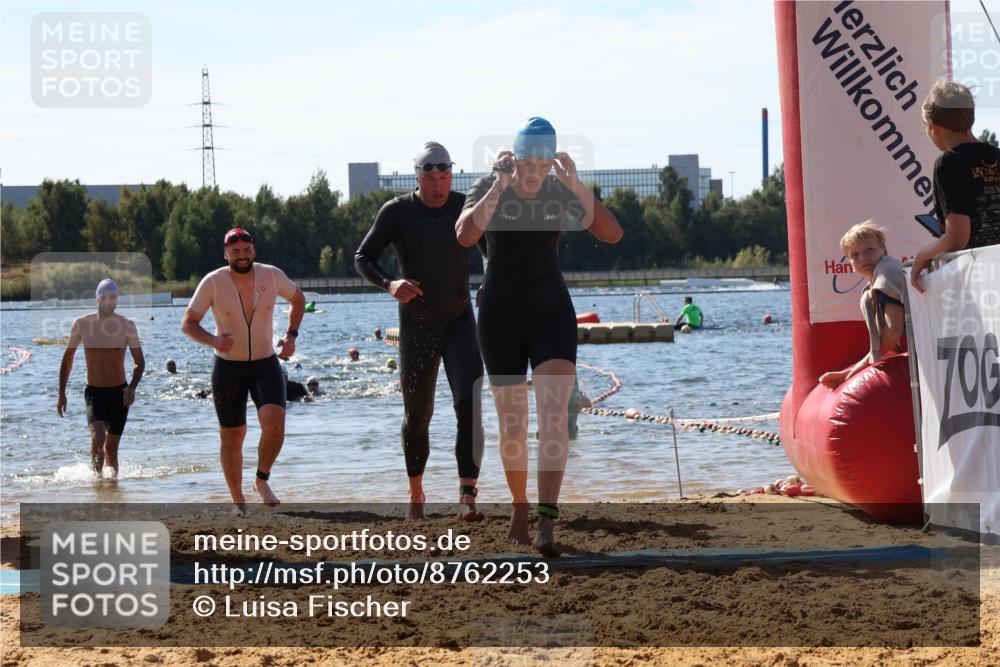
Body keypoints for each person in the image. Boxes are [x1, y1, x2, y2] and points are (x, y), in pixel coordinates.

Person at [456, 117, 623, 555]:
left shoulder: (558, 190)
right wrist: (497, 185)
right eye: (528, 161)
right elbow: (464, 234)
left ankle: (548, 517)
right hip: (499, 314)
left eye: (543, 163)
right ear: (515, 157)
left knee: (553, 418)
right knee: (512, 425)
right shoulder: (490, 185)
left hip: (550, 310)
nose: (534, 170)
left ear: (551, 163)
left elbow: (612, 233)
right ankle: (519, 505)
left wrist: (577, 185)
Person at [355, 141, 486, 523]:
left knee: (471, 407)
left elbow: (492, 246)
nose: (439, 185)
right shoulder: (398, 212)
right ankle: (416, 492)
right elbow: (363, 257)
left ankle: (467, 496)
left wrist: (491, 281)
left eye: (445, 176)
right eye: (431, 178)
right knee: (418, 415)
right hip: (418, 327)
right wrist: (390, 283)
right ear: (419, 177)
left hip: (460, 323)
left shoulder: (465, 205)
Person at [181, 227, 305, 512]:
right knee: (233, 436)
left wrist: (291, 335)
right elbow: (188, 322)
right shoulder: (213, 282)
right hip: (228, 368)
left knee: (275, 424)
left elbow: (297, 299)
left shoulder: (271, 275)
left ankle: (261, 479)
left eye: (246, 251)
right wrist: (213, 340)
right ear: (226, 254)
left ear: (254, 251)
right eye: (235, 252)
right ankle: (238, 499)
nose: (241, 256)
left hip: (265, 363)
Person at [912, 78, 1000, 291]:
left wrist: (922, 256)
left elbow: (958, 238)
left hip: (983, 282)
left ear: (933, 127)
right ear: (971, 118)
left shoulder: (949, 162)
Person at [57, 279, 146, 477]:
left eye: (112, 298)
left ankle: (111, 495)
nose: (108, 302)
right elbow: (68, 358)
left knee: (111, 451)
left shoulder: (127, 326)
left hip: (119, 393)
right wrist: (61, 393)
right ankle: (96, 482)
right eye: (104, 297)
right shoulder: (81, 324)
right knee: (98, 436)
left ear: (117, 300)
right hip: (94, 393)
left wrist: (132, 387)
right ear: (97, 298)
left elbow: (140, 362)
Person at [820, 221, 906, 389]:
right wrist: (848, 372)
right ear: (850, 262)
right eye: (855, 254)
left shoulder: (887, 271)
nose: (863, 258)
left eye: (869, 250)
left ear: (884, 250)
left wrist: (859, 368)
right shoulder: (875, 282)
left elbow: (894, 330)